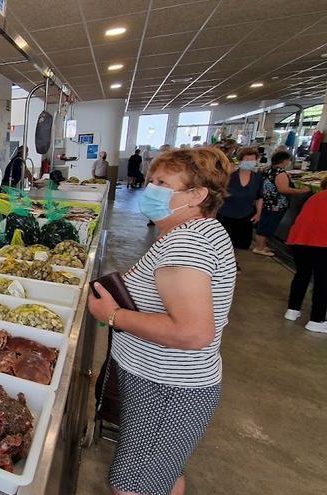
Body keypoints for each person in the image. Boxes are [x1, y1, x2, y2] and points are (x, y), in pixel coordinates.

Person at [88, 148, 235, 495]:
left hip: (167, 388)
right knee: (164, 473)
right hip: (161, 381)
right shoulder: (198, 232)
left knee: (131, 486)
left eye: (163, 183)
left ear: (197, 195)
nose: (151, 189)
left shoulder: (187, 244)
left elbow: (194, 332)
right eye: (152, 180)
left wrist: (112, 315)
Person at [284, 177, 327, 334]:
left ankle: (292, 310)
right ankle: (317, 319)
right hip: (322, 243)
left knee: (302, 275)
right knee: (323, 282)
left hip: (299, 241)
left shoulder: (315, 197)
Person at [252, 151, 310, 256]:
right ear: (284, 161)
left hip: (266, 202)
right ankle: (259, 247)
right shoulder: (280, 173)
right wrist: (302, 191)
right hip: (275, 204)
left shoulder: (268, 169)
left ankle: (262, 245)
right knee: (266, 226)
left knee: (264, 224)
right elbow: (283, 189)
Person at [216, 147, 263, 249]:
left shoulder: (257, 178)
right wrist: (224, 194)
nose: (249, 162)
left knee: (243, 244)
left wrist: (258, 213)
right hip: (225, 216)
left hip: (246, 216)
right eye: (247, 160)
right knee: (223, 245)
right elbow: (218, 192)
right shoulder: (230, 176)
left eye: (252, 160)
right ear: (240, 160)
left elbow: (260, 197)